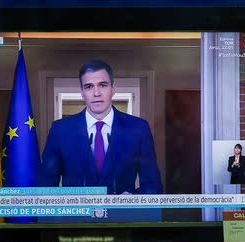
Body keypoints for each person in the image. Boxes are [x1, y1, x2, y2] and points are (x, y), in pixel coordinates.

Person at [39, 59, 163, 195]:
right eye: (89, 87)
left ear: (113, 89)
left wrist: (131, 199)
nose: (96, 93)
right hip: (77, 215)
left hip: (122, 215)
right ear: (82, 92)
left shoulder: (138, 129)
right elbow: (46, 187)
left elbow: (153, 185)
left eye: (102, 85)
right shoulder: (60, 131)